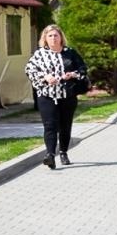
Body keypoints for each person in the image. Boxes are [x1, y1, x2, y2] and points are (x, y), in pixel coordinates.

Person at [24, 23, 90, 170]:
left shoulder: (70, 53)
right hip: (46, 95)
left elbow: (83, 69)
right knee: (50, 125)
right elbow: (29, 70)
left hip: (68, 94)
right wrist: (45, 77)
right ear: (45, 39)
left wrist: (72, 74)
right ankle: (50, 155)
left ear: (61, 37)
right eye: (50, 36)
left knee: (65, 125)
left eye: (56, 35)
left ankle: (63, 152)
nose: (53, 38)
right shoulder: (39, 54)